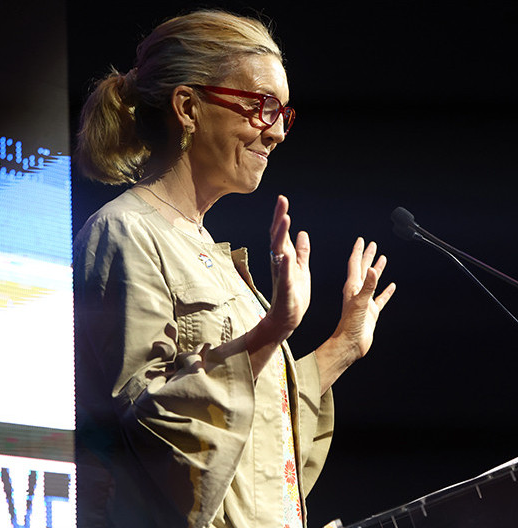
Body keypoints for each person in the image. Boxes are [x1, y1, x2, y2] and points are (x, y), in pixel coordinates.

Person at [72, 10, 395, 527]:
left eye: (283, 113)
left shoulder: (214, 256)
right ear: (188, 108)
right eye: (262, 106)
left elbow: (259, 445)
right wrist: (272, 329)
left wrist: (343, 346)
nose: (277, 132)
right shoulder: (124, 232)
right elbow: (153, 431)